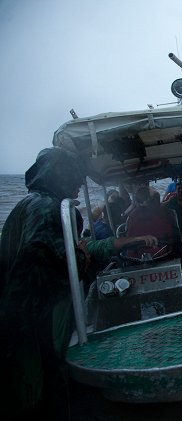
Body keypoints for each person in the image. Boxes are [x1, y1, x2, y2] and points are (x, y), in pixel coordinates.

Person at [0, 147, 87, 418]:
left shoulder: (25, 206)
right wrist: (81, 257)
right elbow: (42, 251)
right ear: (59, 174)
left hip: (14, 313)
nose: (80, 181)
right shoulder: (51, 208)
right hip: (38, 314)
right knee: (44, 383)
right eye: (74, 174)